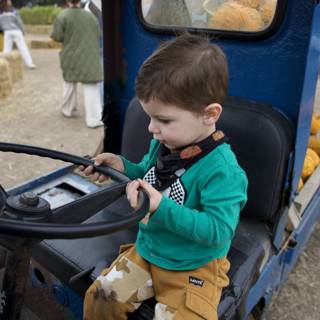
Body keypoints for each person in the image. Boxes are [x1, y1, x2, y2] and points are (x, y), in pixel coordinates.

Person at [82, 33, 248, 319]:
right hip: (148, 249)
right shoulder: (165, 143)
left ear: (209, 114)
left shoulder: (223, 170)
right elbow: (147, 177)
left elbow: (219, 230)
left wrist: (161, 206)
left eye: (164, 120)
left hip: (195, 264)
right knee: (99, 298)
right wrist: (121, 166)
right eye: (150, 117)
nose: (151, 128)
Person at [51, 0, 103, 128]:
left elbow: (57, 36)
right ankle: (94, 119)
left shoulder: (62, 16)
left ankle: (67, 110)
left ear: (68, 1)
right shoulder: (91, 16)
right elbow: (98, 34)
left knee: (69, 83)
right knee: (91, 88)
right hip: (90, 57)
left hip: (71, 56)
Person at [0, 0, 36, 69]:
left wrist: (2, 30)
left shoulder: (1, 12)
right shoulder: (13, 11)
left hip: (7, 31)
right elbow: (19, 22)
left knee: (6, 49)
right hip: (16, 30)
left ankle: (5, 64)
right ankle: (30, 63)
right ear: (8, 2)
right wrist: (23, 31)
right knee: (22, 47)